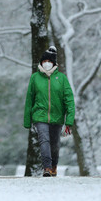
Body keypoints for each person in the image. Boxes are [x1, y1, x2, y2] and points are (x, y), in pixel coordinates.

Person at [23, 46, 75, 177]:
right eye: (44, 61)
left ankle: (53, 166)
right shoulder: (35, 78)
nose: (46, 63)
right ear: (41, 62)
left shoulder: (61, 78)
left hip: (57, 117)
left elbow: (69, 99)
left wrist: (69, 121)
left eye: (49, 61)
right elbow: (29, 99)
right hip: (39, 116)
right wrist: (27, 121)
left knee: (55, 144)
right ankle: (46, 168)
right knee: (44, 140)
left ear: (54, 63)